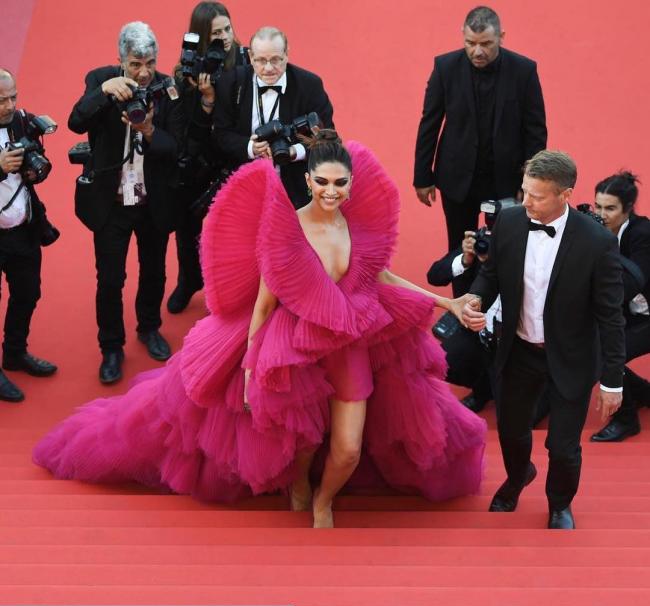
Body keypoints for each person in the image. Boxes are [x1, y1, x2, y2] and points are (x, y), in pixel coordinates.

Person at [33, 132, 486, 528]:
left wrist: (446, 301)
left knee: (347, 448)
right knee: (303, 439)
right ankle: (302, 488)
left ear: (351, 183)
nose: (331, 191)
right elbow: (265, 305)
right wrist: (249, 371)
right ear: (307, 180)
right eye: (323, 182)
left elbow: (380, 275)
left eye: (340, 183)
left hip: (350, 339)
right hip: (295, 345)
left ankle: (324, 499)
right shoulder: (287, 229)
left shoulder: (356, 225)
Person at [462, 150, 625, 529]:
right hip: (518, 350)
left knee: (563, 447)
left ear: (564, 195)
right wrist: (476, 301)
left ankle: (559, 504)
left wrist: (613, 381)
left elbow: (610, 317)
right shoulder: (510, 222)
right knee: (511, 433)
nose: (526, 202)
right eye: (524, 191)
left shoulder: (597, 242)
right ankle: (518, 477)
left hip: (571, 355)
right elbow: (491, 276)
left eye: (536, 196)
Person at [69, 22, 183, 384]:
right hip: (112, 202)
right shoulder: (100, 80)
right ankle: (111, 347)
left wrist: (149, 131)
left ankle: (149, 327)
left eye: (149, 63)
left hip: (153, 201)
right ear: (121, 60)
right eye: (135, 64)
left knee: (154, 271)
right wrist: (102, 92)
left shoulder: (168, 88)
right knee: (110, 279)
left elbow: (176, 147)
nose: (144, 72)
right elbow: (75, 122)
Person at [413, 6, 547, 250]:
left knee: (507, 249)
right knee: (459, 248)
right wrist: (422, 176)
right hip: (457, 178)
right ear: (462, 35)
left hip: (506, 179)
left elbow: (535, 132)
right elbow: (429, 123)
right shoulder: (445, 68)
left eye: (486, 44)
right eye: (470, 43)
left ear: (501, 37)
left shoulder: (524, 71)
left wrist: (531, 183)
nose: (477, 51)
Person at [167, 1, 250, 314]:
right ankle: (189, 280)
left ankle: (229, 290)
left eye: (228, 28)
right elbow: (188, 136)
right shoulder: (188, 72)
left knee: (233, 232)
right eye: (216, 33)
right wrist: (206, 102)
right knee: (187, 226)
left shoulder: (247, 61)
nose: (225, 37)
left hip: (237, 157)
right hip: (200, 159)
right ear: (202, 37)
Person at [212, 25, 334, 209]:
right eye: (261, 60)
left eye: (275, 60)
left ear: (287, 55)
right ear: (250, 57)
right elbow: (220, 134)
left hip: (294, 191)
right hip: (244, 190)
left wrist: (294, 152)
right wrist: (250, 147)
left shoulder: (309, 85)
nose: (268, 68)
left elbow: (328, 137)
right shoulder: (231, 83)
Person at [0, 69, 58, 402]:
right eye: (1, 100)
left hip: (22, 228)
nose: (9, 106)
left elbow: (38, 164)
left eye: (13, 97)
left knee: (28, 293)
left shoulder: (21, 121)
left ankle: (14, 352)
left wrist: (36, 168)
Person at [589, 172, 650, 442]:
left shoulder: (643, 235)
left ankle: (626, 420)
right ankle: (644, 393)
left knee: (604, 351)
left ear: (628, 208)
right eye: (598, 206)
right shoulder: (595, 229)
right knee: (590, 343)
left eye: (610, 208)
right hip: (629, 312)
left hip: (644, 315)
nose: (602, 214)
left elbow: (632, 283)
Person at [427, 228, 494, 412]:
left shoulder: (529, 247)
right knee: (443, 363)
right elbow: (434, 276)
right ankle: (483, 391)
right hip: (478, 328)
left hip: (517, 333)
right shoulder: (483, 241)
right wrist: (465, 259)